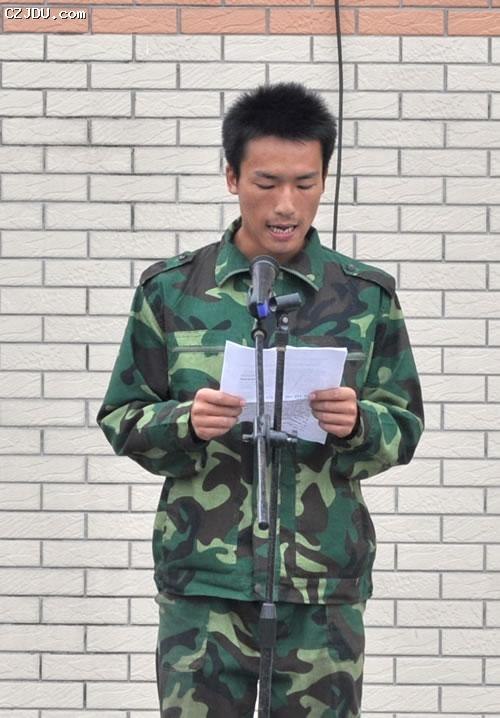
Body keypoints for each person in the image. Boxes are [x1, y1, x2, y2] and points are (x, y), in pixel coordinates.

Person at [97, 82, 424, 718]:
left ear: (324, 180)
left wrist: (358, 423)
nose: (285, 204)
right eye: (266, 182)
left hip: (322, 585)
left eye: (305, 183)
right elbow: (122, 417)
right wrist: (184, 422)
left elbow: (404, 427)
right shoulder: (171, 291)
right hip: (204, 582)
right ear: (231, 177)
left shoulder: (366, 297)